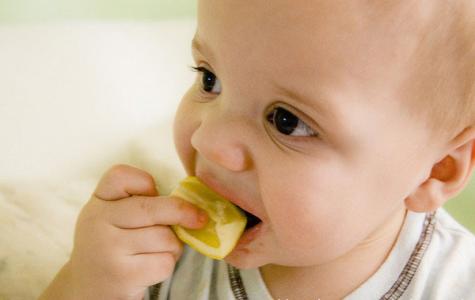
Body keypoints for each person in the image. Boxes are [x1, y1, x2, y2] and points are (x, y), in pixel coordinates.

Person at [40, 0, 475, 299]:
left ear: (435, 169)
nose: (206, 140)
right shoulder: (157, 258)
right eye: (210, 78)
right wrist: (86, 281)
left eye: (288, 121)